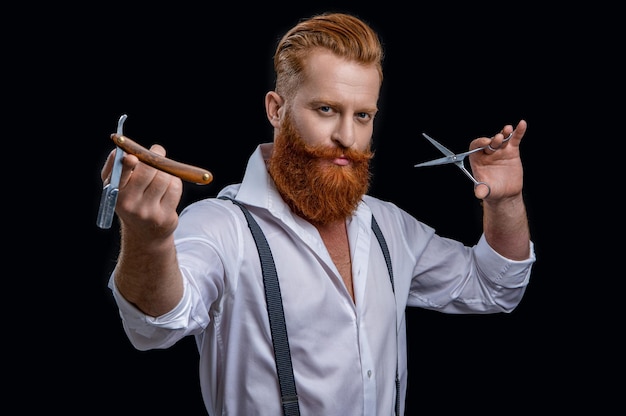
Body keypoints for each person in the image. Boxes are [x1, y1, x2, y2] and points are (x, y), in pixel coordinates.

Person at [101, 12, 535, 416]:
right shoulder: (221, 228)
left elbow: (494, 287)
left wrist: (505, 201)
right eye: (326, 109)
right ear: (276, 108)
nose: (347, 137)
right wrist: (148, 239)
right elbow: (152, 327)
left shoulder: (389, 227)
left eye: (362, 115)